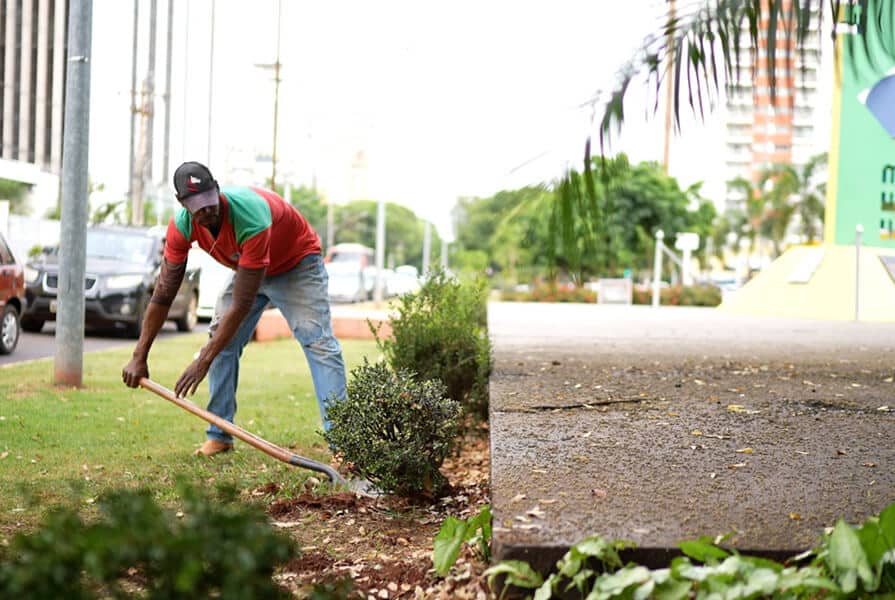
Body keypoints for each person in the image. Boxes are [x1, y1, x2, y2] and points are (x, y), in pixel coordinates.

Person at [122, 161, 347, 456]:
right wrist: (139, 356)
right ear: (182, 204)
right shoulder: (181, 226)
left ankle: (344, 443)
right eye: (197, 206)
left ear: (216, 188)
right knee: (220, 341)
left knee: (318, 343)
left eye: (209, 200)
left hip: (296, 264)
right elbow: (163, 295)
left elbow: (240, 305)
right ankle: (220, 433)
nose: (206, 210)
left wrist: (202, 361)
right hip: (249, 268)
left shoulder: (249, 214)